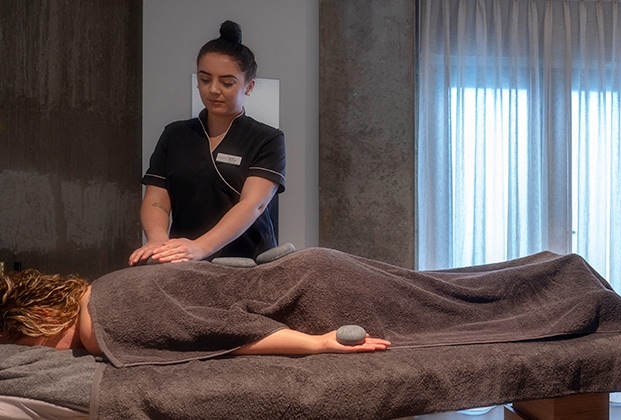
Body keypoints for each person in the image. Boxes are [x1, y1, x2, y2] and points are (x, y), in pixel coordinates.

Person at [129, 20, 286, 266]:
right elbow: (156, 198)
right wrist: (158, 241)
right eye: (204, 79)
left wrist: (200, 247)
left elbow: (253, 204)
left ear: (249, 86)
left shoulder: (267, 139)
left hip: (248, 264)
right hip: (183, 262)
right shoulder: (175, 134)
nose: (213, 90)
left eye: (227, 82)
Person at [0, 268, 391, 356]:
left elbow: (218, 331)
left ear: (44, 316)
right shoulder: (107, 283)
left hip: (310, 293)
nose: (48, 354)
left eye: (31, 344)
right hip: (309, 272)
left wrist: (316, 343)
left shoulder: (95, 326)